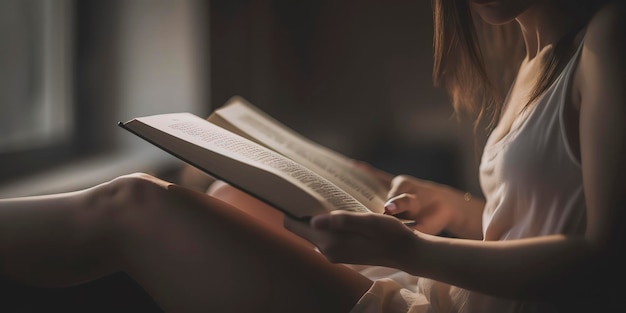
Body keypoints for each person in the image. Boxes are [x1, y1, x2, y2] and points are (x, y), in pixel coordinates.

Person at [1, 0, 624, 312]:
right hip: (447, 291)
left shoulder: (608, 38)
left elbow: (601, 263)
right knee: (231, 195)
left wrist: (407, 250)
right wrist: (458, 209)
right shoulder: (541, 58)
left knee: (132, 201)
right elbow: (548, 212)